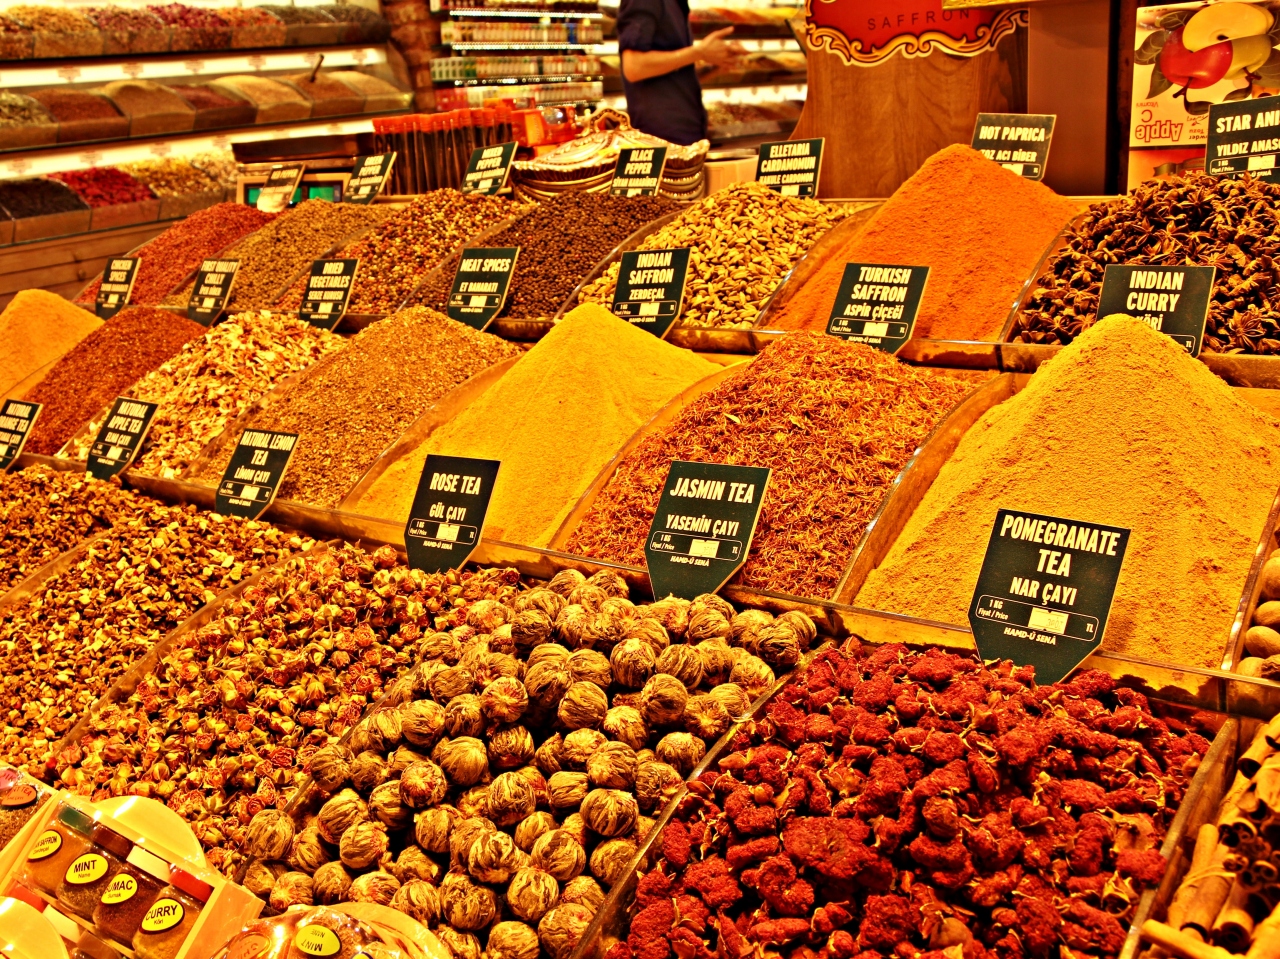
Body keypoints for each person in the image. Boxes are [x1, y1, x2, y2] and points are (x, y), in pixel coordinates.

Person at [617, 0, 741, 145]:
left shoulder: (675, 4)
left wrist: (713, 67)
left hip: (686, 138)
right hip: (659, 141)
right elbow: (634, 67)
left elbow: (672, 77)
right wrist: (699, 52)